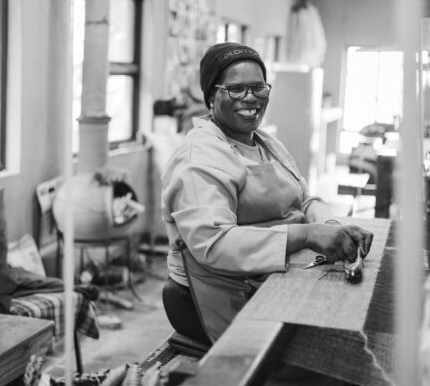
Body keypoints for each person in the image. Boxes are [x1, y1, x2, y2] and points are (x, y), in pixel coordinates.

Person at [160, 42, 374, 345]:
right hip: (218, 296)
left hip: (267, 278)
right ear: (211, 97)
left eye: (258, 87)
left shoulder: (265, 143)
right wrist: (306, 235)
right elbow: (215, 245)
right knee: (320, 352)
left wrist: (331, 228)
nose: (250, 97)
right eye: (236, 89)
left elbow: (305, 198)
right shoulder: (199, 158)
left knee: (350, 322)